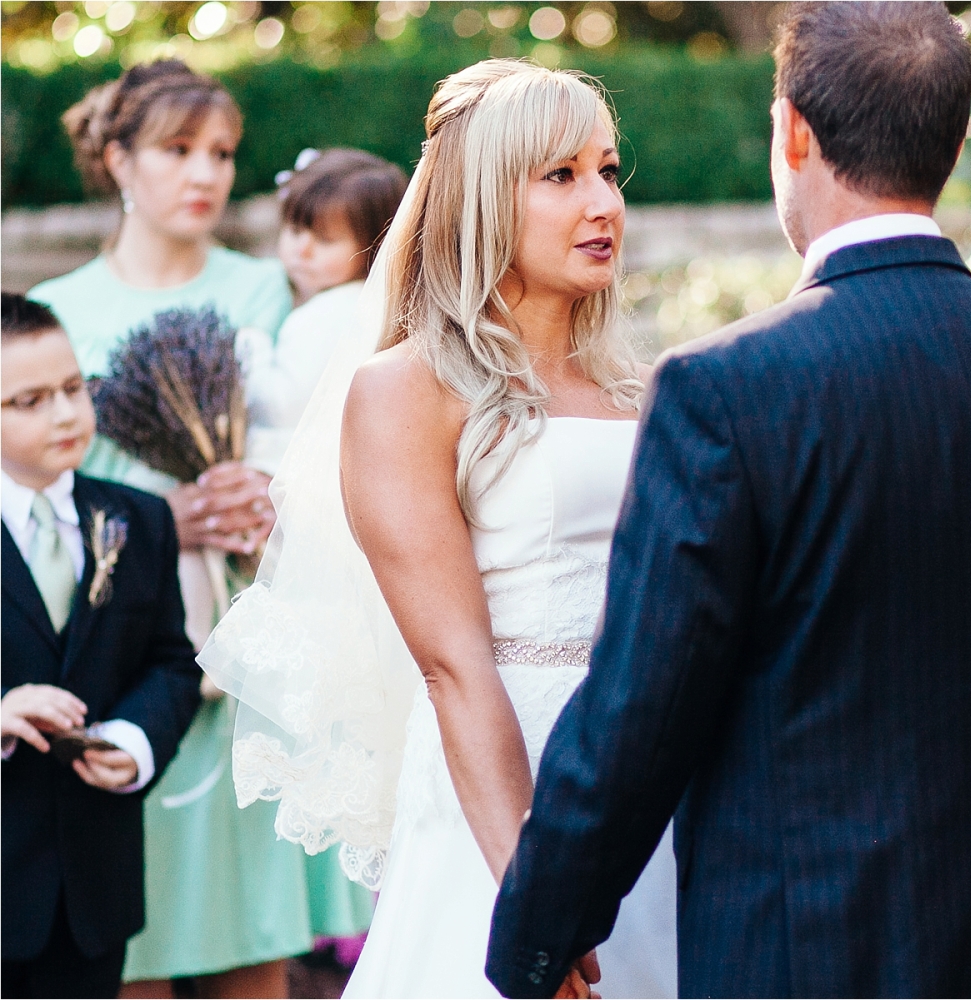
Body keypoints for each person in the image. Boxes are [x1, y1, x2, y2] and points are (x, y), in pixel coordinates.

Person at [488, 4, 971, 997]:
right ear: (957, 140)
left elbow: (641, 707)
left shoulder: (722, 387)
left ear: (792, 131)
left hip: (804, 949)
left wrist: (537, 935)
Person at [200, 59, 678, 999]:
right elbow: (453, 667)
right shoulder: (404, 390)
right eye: (560, 175)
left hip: (647, 782)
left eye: (607, 171)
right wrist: (533, 900)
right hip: (502, 787)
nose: (602, 204)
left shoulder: (645, 389)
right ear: (482, 198)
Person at [26, 60, 354, 998]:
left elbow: (332, 442)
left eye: (221, 152)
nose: (206, 173)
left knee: (253, 946)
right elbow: (38, 489)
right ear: (118, 161)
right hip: (117, 650)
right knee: (130, 939)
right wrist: (161, 518)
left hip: (249, 648)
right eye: (178, 150)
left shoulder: (269, 294)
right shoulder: (60, 311)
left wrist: (276, 502)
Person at [0, 294, 200, 999]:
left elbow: (171, 662)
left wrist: (137, 741)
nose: (64, 414)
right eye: (28, 401)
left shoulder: (138, 520)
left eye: (72, 388)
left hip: (90, 893)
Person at [239, 148, 408, 476]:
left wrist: (250, 342)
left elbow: (278, 406)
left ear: (373, 246)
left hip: (293, 472)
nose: (302, 250)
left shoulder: (328, 315)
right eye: (294, 230)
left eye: (326, 240)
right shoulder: (379, 307)